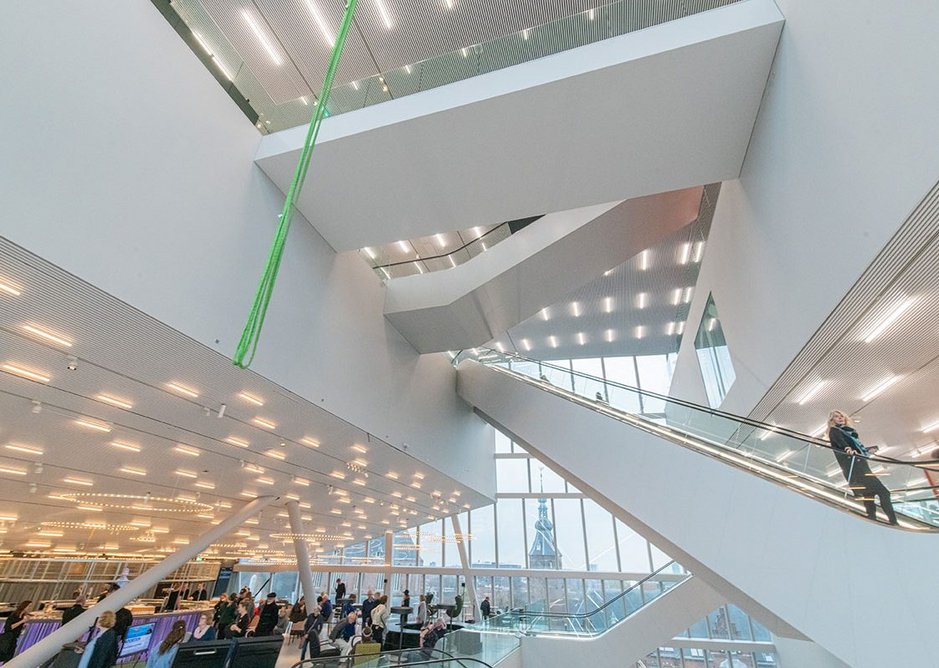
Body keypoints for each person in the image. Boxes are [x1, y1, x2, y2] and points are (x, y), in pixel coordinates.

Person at [828, 410, 898, 524]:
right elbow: (841, 443)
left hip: (861, 465)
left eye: (842, 416)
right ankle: (893, 521)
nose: (840, 418)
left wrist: (867, 450)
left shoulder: (850, 432)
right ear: (832, 420)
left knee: (868, 494)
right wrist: (847, 449)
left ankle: (872, 518)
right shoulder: (835, 431)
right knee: (884, 492)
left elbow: (857, 448)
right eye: (837, 417)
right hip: (855, 466)